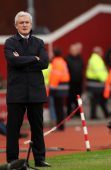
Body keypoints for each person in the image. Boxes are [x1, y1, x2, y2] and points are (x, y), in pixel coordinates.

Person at [4, 11, 50, 166]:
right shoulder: (10, 43)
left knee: (37, 127)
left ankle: (40, 159)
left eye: (27, 22)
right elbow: (13, 61)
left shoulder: (39, 42)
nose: (24, 25)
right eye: (21, 22)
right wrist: (33, 58)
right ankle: (13, 161)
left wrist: (22, 59)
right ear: (16, 25)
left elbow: (44, 63)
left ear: (31, 24)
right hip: (16, 92)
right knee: (13, 129)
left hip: (36, 92)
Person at [86, 46, 109, 119]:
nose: (102, 53)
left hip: (94, 83)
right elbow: (99, 72)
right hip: (96, 83)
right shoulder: (96, 59)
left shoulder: (93, 59)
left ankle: (103, 114)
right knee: (98, 100)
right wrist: (106, 79)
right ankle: (96, 115)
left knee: (96, 100)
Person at [49, 49, 70, 131]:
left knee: (58, 108)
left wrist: (52, 88)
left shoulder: (56, 62)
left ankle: (60, 126)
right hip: (64, 86)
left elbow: (56, 76)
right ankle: (61, 125)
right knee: (60, 107)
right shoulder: (62, 61)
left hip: (58, 87)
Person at [65, 43, 84, 116]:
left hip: (78, 82)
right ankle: (69, 113)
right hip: (70, 83)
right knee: (70, 99)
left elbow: (82, 68)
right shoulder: (67, 59)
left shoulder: (80, 58)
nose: (74, 51)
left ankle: (78, 113)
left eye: (75, 49)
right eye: (73, 50)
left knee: (78, 98)